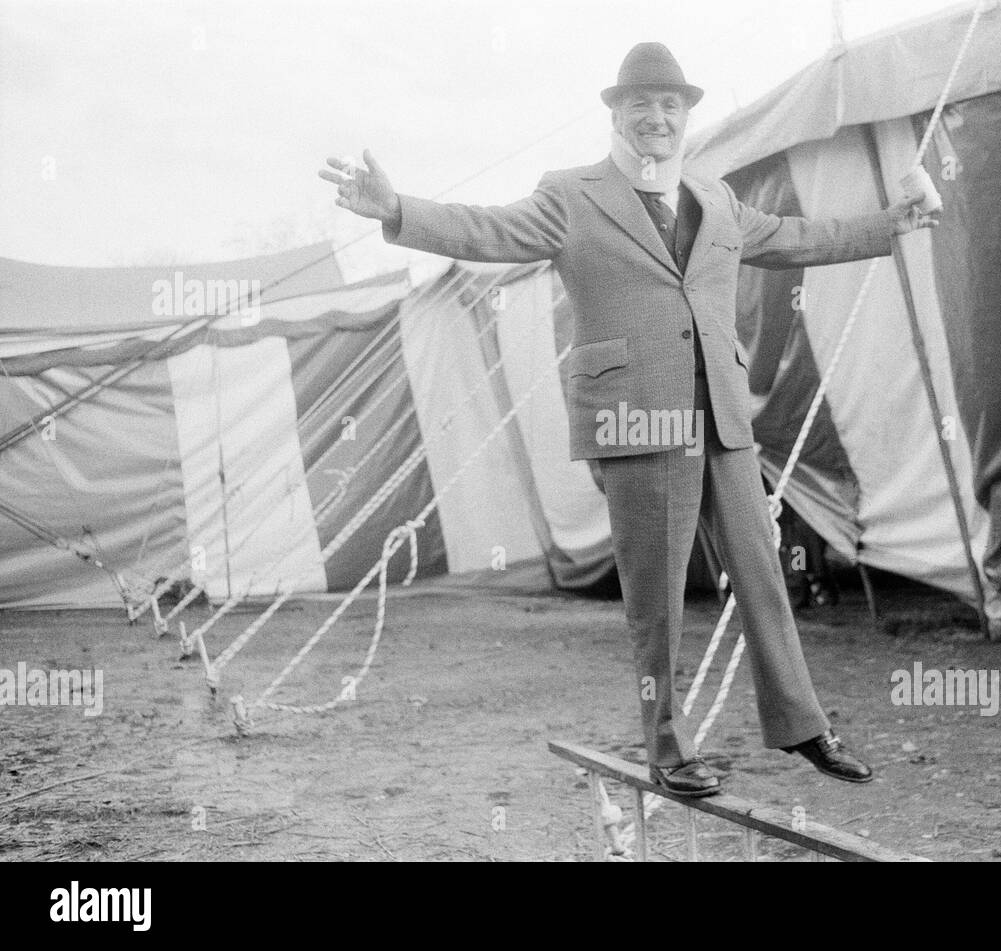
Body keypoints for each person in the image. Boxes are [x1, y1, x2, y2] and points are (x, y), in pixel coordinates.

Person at [320, 42, 937, 797]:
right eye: (641, 104)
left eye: (671, 105)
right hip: (636, 423)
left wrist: (894, 222)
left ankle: (803, 727)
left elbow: (799, 238)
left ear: (686, 116)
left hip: (722, 419)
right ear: (615, 113)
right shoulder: (570, 196)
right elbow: (486, 230)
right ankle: (668, 747)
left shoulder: (717, 200)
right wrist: (396, 209)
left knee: (763, 573)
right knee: (657, 596)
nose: (658, 117)